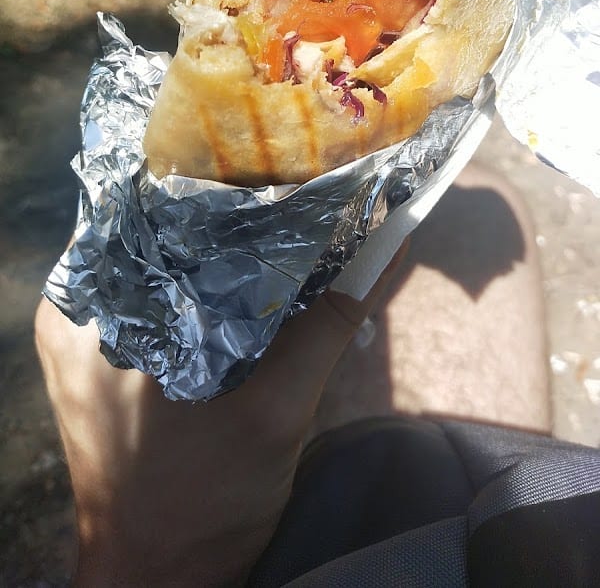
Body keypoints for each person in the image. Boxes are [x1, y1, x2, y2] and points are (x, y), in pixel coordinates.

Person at [35, 242, 600, 588]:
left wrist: (146, 566)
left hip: (373, 528)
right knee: (473, 212)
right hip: (502, 501)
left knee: (462, 219)